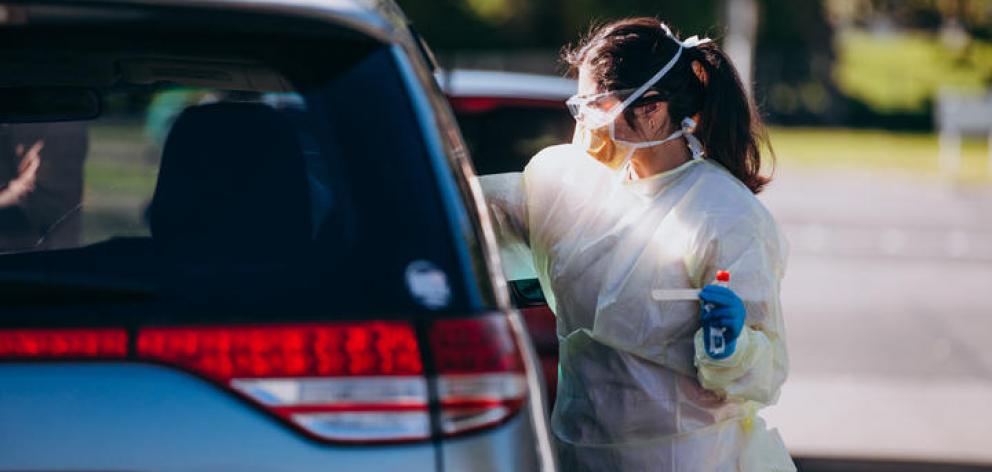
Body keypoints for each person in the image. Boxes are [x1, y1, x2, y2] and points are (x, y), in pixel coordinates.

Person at [480, 18, 795, 471]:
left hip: (687, 457)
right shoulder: (570, 185)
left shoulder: (726, 216)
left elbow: (765, 375)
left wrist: (734, 348)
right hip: (578, 453)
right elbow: (474, 216)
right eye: (580, 105)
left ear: (652, 108)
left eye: (595, 105)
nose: (584, 121)